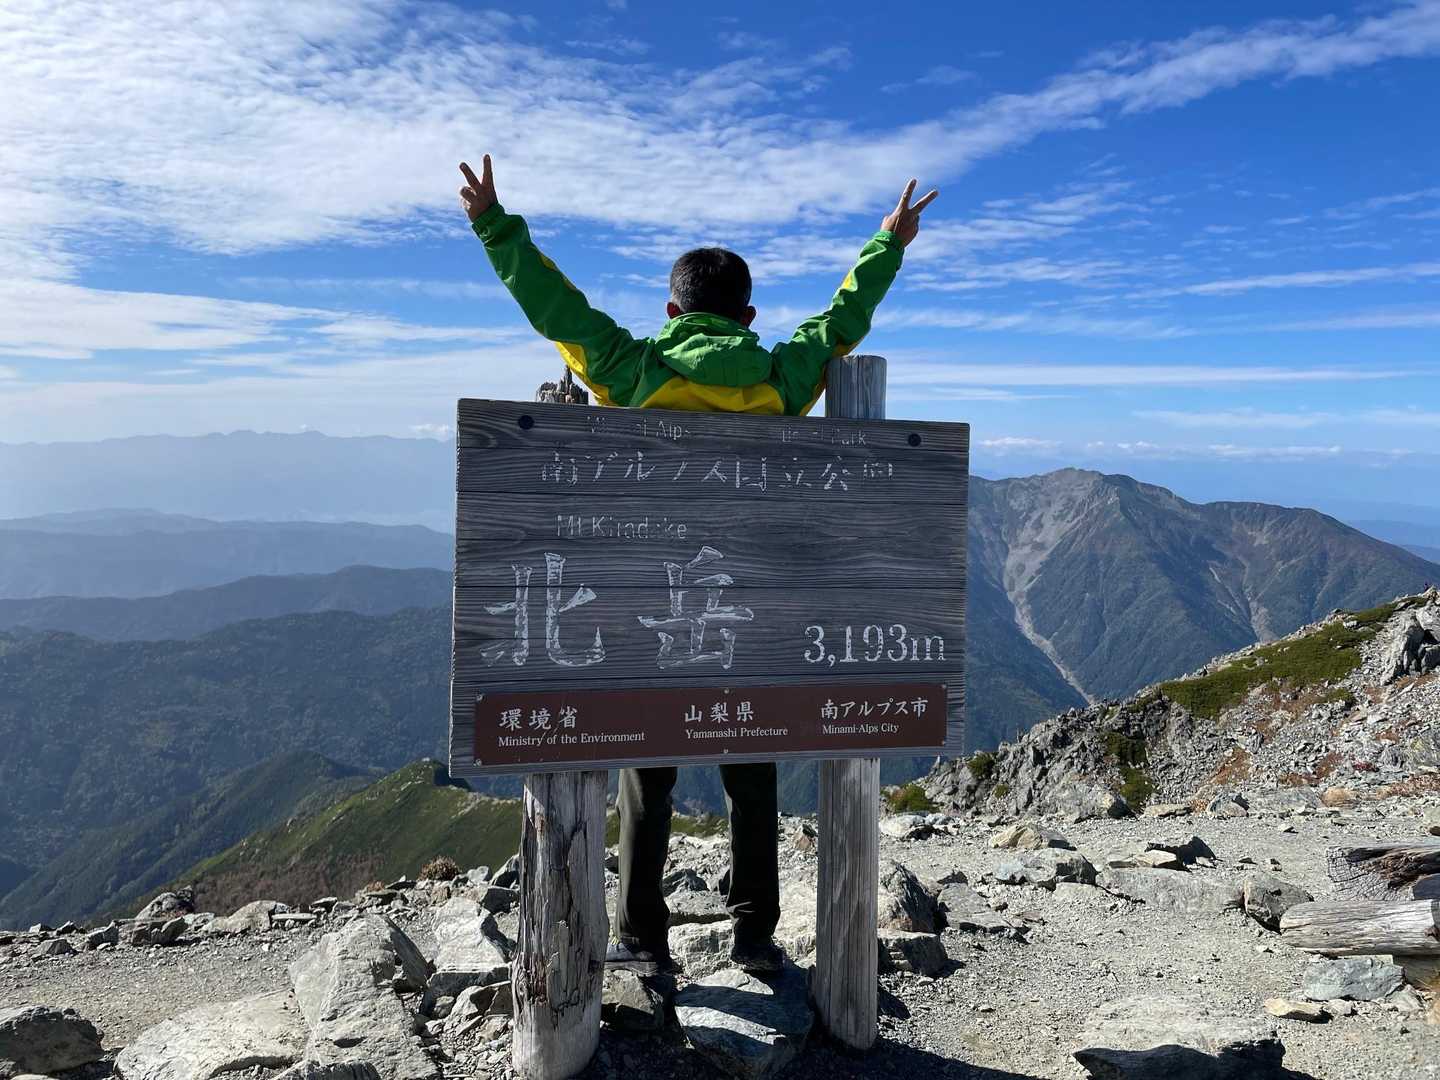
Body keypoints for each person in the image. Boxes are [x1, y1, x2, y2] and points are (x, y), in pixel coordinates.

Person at [458, 155, 937, 974]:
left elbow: (557, 309)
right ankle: (755, 934)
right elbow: (840, 322)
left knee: (648, 780)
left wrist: (495, 226)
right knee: (752, 774)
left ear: (671, 311)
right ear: (748, 316)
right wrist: (888, 242)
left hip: (653, 622)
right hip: (750, 619)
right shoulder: (781, 380)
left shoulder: (631, 370)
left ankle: (643, 938)